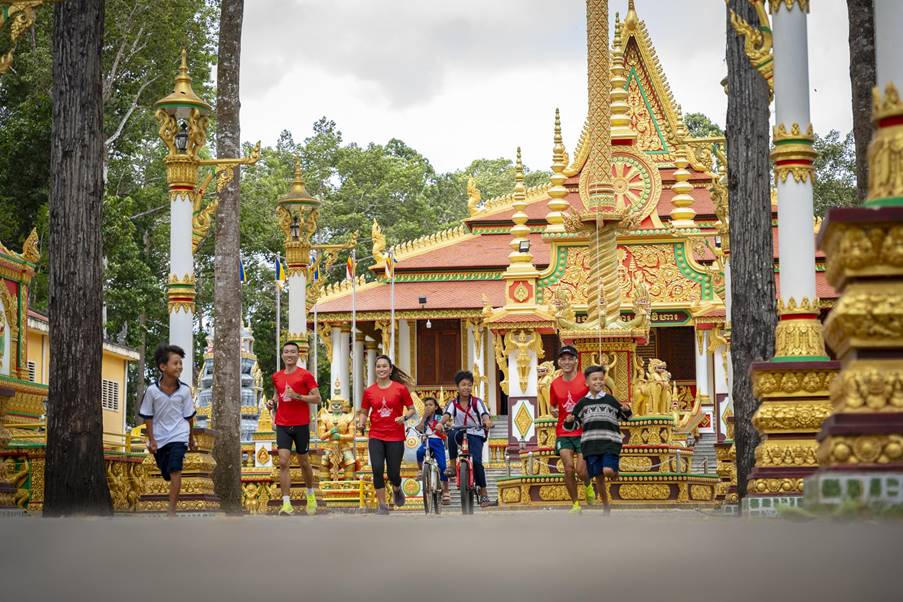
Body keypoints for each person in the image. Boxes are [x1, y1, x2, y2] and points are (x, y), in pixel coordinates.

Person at [566, 365, 632, 514]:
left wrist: (627, 411)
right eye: (594, 379)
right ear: (587, 382)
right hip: (591, 445)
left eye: (601, 379)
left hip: (610, 442)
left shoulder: (610, 400)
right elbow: (573, 425)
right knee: (599, 478)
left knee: (607, 471)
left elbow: (626, 417)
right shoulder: (582, 403)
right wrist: (569, 420)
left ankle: (614, 472)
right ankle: (606, 505)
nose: (598, 382)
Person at [139, 344, 196, 517]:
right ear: (163, 367)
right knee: (166, 473)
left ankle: (172, 510)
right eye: (175, 363)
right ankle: (171, 498)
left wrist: (191, 438)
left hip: (180, 435)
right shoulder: (152, 391)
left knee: (176, 469)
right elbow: (147, 416)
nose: (179, 367)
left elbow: (189, 417)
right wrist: (152, 439)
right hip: (160, 437)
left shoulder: (185, 391)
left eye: (180, 363)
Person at [266, 341, 321, 516]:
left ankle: (310, 495)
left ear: (298, 355)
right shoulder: (277, 376)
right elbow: (277, 395)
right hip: (282, 423)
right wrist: (272, 402)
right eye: (286, 352)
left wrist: (297, 396)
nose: (289, 355)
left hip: (301, 424)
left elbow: (317, 398)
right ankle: (286, 504)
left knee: (304, 462)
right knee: (283, 461)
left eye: (293, 352)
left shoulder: (305, 375)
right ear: (282, 355)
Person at [358, 354, 416, 515]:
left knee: (393, 473)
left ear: (390, 370)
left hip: (395, 436)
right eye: (378, 366)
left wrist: (403, 417)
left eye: (385, 366)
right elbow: (364, 411)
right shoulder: (369, 391)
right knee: (377, 469)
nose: (381, 369)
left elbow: (412, 410)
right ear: (375, 369)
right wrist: (361, 422)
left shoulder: (400, 389)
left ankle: (397, 488)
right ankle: (382, 504)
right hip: (376, 435)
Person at [549, 345, 596, 513]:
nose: (567, 362)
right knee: (568, 468)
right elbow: (553, 405)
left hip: (583, 432)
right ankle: (575, 504)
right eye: (563, 359)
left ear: (576, 360)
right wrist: (553, 411)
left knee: (581, 471)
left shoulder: (586, 380)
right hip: (563, 432)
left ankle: (588, 484)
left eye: (570, 358)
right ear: (559, 362)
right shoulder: (554, 384)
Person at [439, 370, 494, 508]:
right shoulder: (453, 403)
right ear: (457, 387)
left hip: (476, 433)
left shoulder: (477, 402)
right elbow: (446, 415)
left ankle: (483, 494)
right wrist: (441, 422)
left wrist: (487, 422)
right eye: (463, 385)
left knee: (476, 462)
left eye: (469, 385)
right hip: (459, 432)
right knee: (450, 433)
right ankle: (452, 466)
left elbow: (484, 415)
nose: (466, 388)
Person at [415, 396, 450, 505]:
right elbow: (419, 428)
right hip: (427, 441)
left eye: (430, 405)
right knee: (419, 452)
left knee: (443, 466)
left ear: (435, 407)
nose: (428, 407)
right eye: (426, 405)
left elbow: (445, 427)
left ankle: (446, 490)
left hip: (438, 442)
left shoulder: (439, 418)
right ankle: (421, 470)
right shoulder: (423, 418)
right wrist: (424, 417)